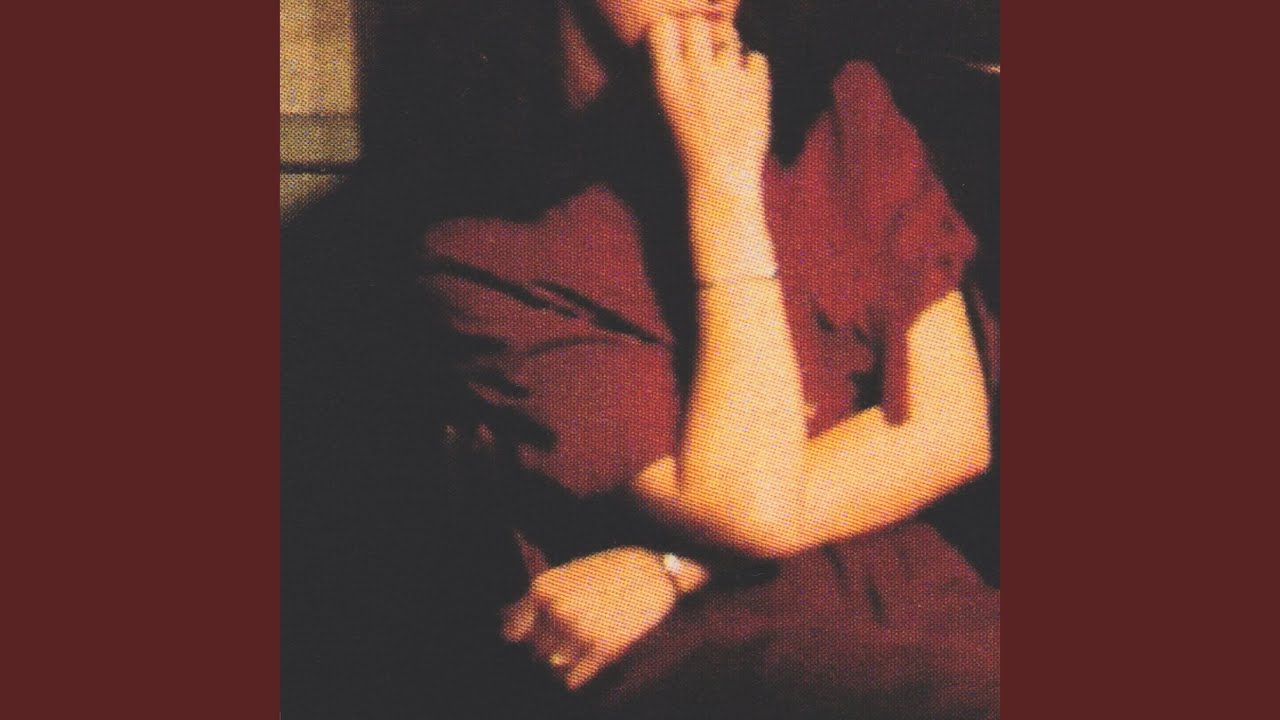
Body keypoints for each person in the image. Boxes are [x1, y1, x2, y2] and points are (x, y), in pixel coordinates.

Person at [418, 1, 999, 717]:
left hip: (916, 597)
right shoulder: (486, 245)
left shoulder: (844, 111)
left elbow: (950, 431)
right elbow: (749, 511)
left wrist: (671, 569)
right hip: (698, 653)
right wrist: (723, 187)